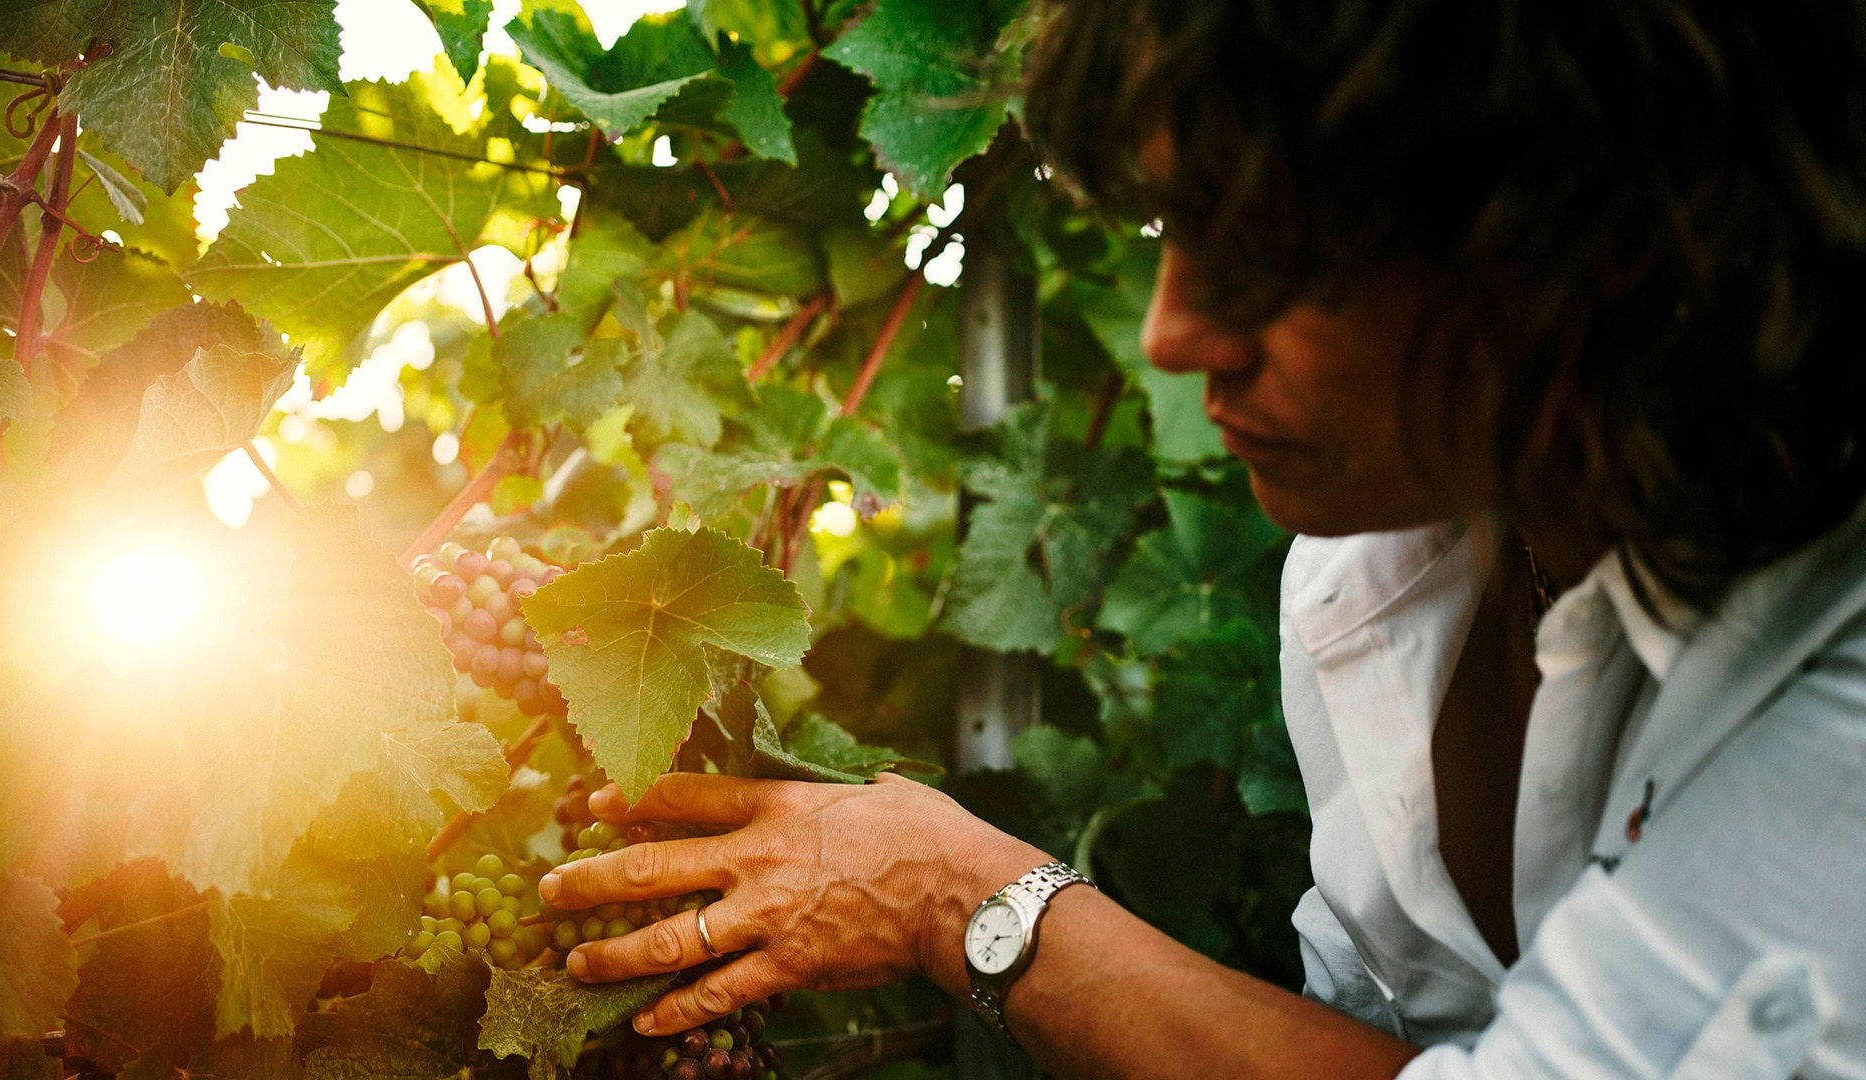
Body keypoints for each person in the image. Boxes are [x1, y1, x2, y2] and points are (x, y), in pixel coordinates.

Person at [537, 2, 1866, 1075]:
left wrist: (963, 896)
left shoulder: (1840, 645)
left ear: (1597, 233)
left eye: (1279, 251)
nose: (1174, 336)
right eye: (1180, 227)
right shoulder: (1375, 576)